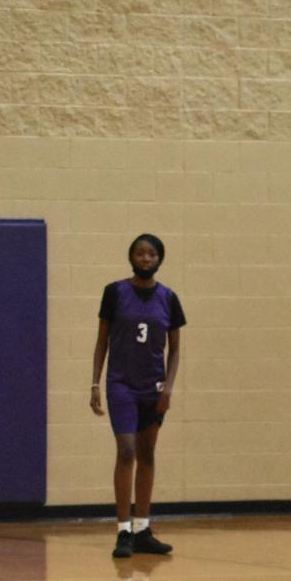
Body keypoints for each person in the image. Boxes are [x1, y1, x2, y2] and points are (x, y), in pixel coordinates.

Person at [90, 234, 184, 558]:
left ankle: (143, 528)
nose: (145, 259)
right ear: (131, 257)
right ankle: (123, 531)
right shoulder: (114, 293)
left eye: (151, 254)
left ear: (159, 259)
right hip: (121, 386)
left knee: (147, 453)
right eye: (140, 253)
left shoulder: (169, 299)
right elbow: (102, 341)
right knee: (126, 451)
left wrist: (169, 388)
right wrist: (94, 384)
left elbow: (175, 350)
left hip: (153, 388)